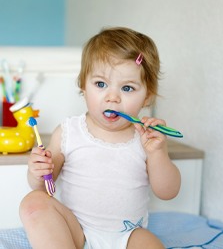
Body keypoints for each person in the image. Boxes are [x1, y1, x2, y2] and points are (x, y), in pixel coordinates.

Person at [19, 26, 181, 249]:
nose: (112, 97)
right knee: (33, 202)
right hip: (75, 232)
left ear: (147, 97)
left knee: (150, 244)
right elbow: (46, 187)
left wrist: (158, 152)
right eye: (101, 84)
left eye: (127, 88)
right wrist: (37, 172)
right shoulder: (69, 131)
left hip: (127, 236)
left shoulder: (146, 138)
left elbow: (168, 192)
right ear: (83, 86)